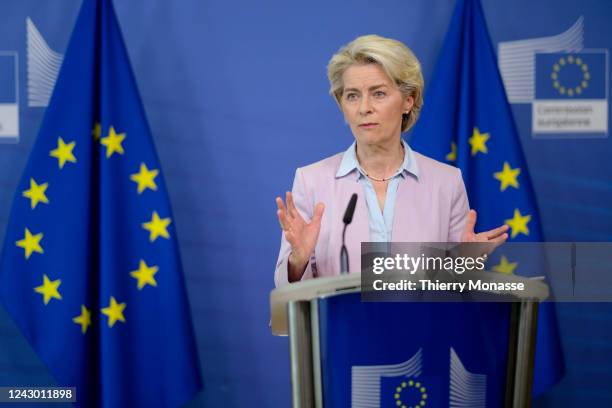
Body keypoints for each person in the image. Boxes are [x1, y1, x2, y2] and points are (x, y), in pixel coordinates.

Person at [274, 34, 508, 287]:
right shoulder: (311, 181)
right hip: (343, 326)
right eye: (352, 95)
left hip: (421, 325)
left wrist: (465, 262)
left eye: (378, 94)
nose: (364, 108)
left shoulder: (446, 182)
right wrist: (298, 261)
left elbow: (454, 290)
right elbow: (287, 295)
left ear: (408, 100)